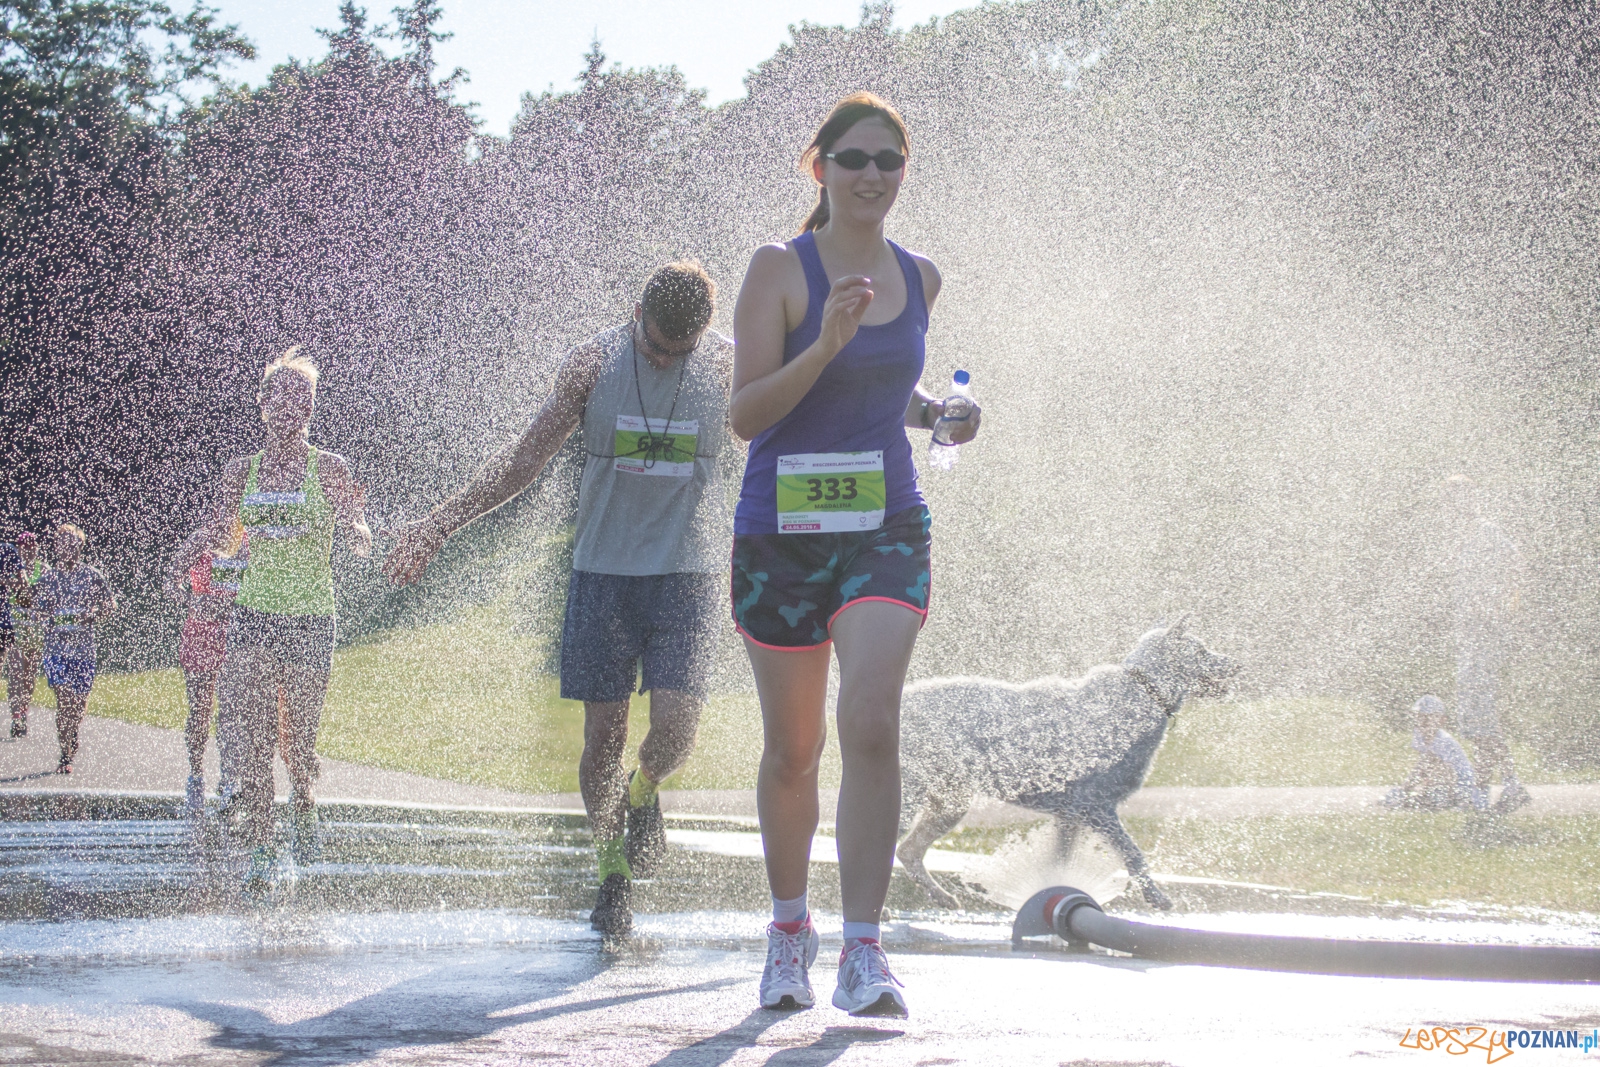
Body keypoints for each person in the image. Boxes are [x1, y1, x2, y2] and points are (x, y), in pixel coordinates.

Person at [384, 261, 734, 938]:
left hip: (686, 575)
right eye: (654, 346)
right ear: (636, 314)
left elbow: (776, 440)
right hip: (603, 574)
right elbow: (523, 463)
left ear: (703, 334)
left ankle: (644, 791)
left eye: (677, 351)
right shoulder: (592, 364)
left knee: (676, 732)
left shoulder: (725, 368)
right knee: (603, 736)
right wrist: (437, 525)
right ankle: (611, 871)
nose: (663, 360)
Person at [728, 92, 980, 1017]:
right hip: (781, 534)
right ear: (821, 168)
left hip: (886, 527)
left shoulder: (920, 275)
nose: (873, 175)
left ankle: (864, 948)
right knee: (793, 749)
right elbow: (747, 412)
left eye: (889, 160)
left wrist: (941, 414)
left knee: (871, 719)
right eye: (855, 159)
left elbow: (885, 395)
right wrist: (826, 343)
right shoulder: (778, 268)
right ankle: (788, 930)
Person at [179, 349, 370, 884]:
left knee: (298, 746)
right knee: (255, 740)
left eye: (300, 397)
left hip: (311, 617)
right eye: (279, 396)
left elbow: (355, 523)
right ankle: (263, 849)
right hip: (254, 615)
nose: (289, 406)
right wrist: (193, 548)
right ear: (263, 405)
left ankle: (304, 799)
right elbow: (223, 537)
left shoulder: (328, 468)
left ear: (310, 408)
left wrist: (359, 532)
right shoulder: (239, 471)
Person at [1444, 475, 1530, 813]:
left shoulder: (1486, 531)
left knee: (1479, 717)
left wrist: (1499, 608)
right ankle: (1483, 793)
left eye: (1458, 498)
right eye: (1449, 499)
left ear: (1470, 498)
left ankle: (1507, 786)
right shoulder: (1464, 537)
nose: (1453, 506)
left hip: (1485, 632)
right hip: (1471, 634)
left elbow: (1516, 565)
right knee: (1476, 717)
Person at [166, 522, 248, 812]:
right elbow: (171, 580)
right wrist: (190, 600)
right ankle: (196, 775)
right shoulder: (201, 539)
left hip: (235, 634)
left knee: (231, 710)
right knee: (200, 709)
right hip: (200, 633)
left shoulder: (250, 540)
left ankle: (229, 781)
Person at [31, 524, 117, 773]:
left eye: (72, 543)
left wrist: (91, 615)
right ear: (56, 547)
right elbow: (37, 610)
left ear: (80, 547)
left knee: (77, 705)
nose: (67, 547)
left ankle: (73, 733)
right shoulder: (48, 579)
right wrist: (46, 618)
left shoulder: (92, 576)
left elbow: (110, 605)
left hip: (83, 651)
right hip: (56, 651)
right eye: (63, 543)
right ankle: (65, 755)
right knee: (64, 699)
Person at [1382, 695, 1487, 812]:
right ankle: (1428, 796)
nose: (1424, 721)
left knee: (1434, 768)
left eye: (1430, 717)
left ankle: (1450, 800)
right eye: (1420, 716)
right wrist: (1407, 787)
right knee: (1427, 768)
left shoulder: (1444, 740)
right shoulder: (1419, 735)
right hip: (1444, 781)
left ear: (1442, 720)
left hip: (1461, 784)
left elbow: (1445, 770)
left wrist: (1423, 784)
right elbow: (1422, 766)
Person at [6, 532, 48, 739]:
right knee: (16, 671)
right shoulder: (11, 568)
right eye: (24, 546)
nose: (28, 550)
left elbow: (48, 596)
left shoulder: (44, 570)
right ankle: (16, 717)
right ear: (19, 548)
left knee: (29, 674)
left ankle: (23, 711)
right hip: (16, 626)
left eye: (32, 546)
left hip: (35, 629)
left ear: (37, 548)